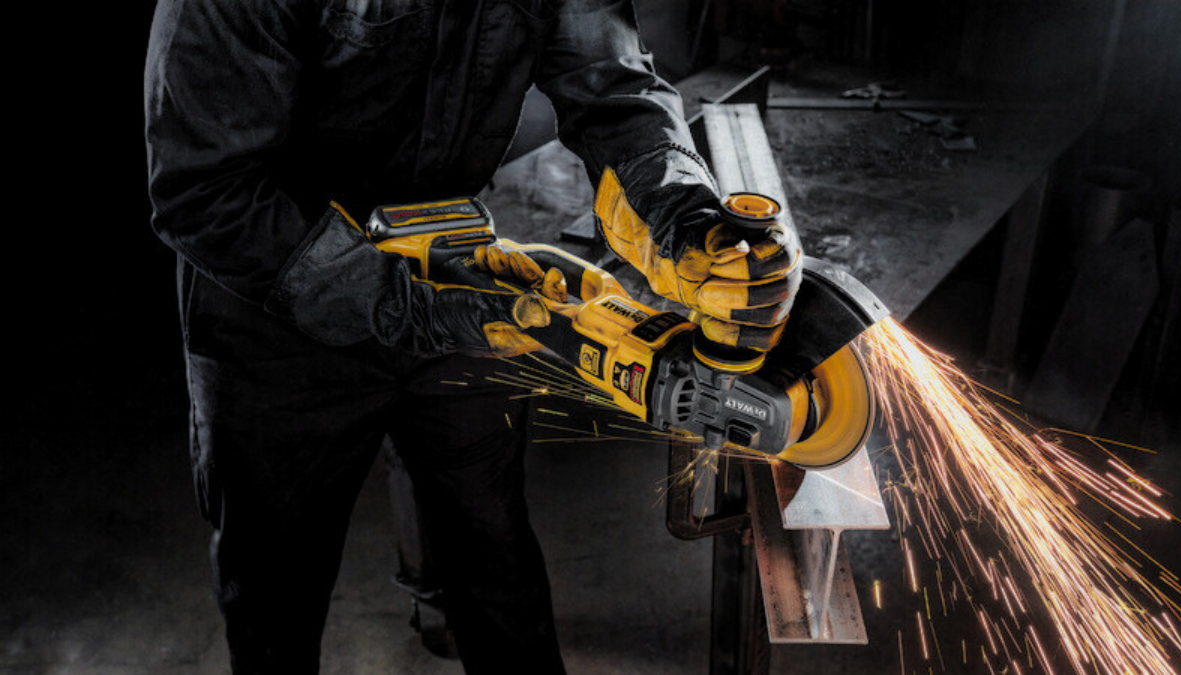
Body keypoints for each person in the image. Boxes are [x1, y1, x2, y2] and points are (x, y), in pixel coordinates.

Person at [144, 1, 802, 673]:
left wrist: (685, 219)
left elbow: (613, 92)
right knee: (274, 596)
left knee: (496, 560)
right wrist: (415, 307)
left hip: (458, 264)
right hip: (272, 300)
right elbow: (204, 189)